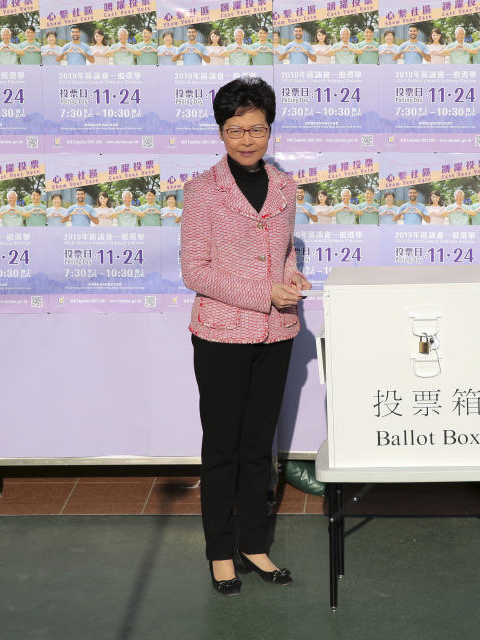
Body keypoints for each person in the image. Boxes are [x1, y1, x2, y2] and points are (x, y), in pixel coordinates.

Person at [180, 76, 307, 596]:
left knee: (260, 448)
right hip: (221, 336)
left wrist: (293, 276)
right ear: (221, 131)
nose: (248, 139)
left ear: (270, 129)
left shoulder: (285, 187)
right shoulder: (202, 192)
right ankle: (219, 552)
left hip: (276, 334)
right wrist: (264, 294)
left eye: (257, 128)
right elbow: (195, 271)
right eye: (236, 129)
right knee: (223, 449)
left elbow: (283, 252)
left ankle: (255, 544)